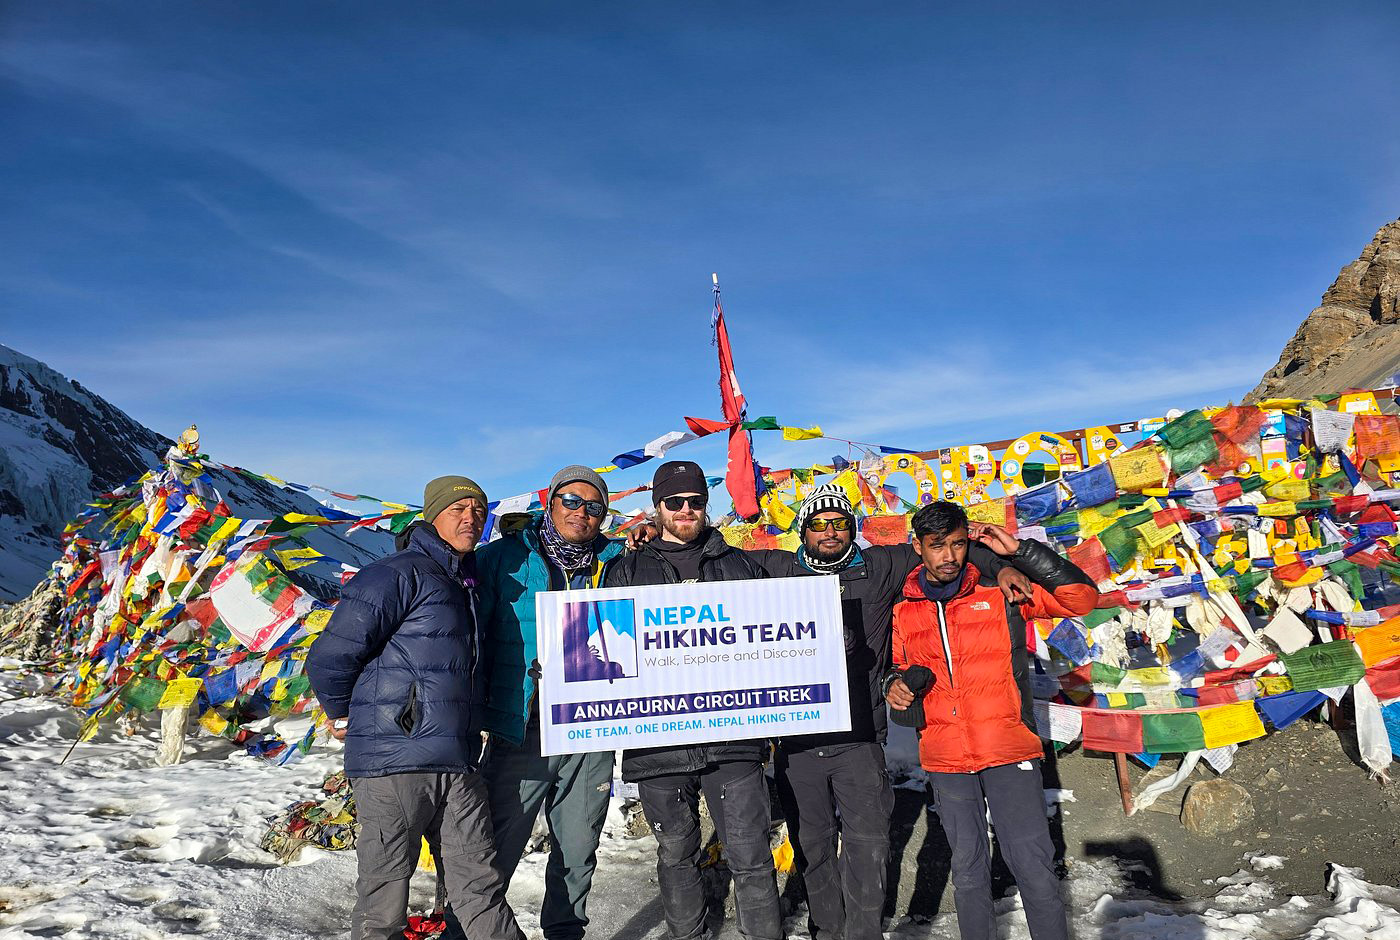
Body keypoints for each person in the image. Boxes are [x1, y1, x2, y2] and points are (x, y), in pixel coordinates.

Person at [743, 483, 1032, 940]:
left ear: (852, 527)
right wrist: (636, 539)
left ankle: (863, 933)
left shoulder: (879, 565)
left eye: (840, 522)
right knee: (812, 847)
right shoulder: (775, 567)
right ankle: (828, 930)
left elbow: (946, 549)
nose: (830, 532)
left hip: (860, 736)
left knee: (869, 846)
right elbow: (707, 559)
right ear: (803, 531)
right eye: (819, 524)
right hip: (797, 739)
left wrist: (999, 566)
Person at [306, 475, 524, 940]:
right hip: (393, 764)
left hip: (458, 763)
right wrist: (346, 715)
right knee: (384, 900)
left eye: (479, 510)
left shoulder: (466, 581)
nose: (471, 518)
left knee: (480, 890)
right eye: (458, 509)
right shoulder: (395, 574)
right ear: (432, 515)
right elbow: (331, 656)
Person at [885, 501, 1098, 940]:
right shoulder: (904, 609)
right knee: (967, 871)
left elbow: (1081, 599)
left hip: (1008, 747)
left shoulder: (1000, 591)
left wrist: (1018, 551)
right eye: (937, 546)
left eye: (959, 544)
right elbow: (898, 668)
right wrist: (896, 686)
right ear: (917, 547)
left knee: (1033, 867)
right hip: (945, 757)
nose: (949, 556)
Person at [604, 459, 781, 940]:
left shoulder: (740, 565)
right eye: (674, 502)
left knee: (750, 853)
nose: (686, 510)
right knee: (676, 855)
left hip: (733, 742)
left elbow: (774, 641)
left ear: (707, 504)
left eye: (696, 501)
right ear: (657, 507)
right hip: (658, 743)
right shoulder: (625, 570)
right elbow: (602, 649)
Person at [475, 465, 627, 940]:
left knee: (578, 848)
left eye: (594, 506)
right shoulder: (500, 559)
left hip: (590, 727)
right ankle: (470, 930)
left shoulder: (620, 561)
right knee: (495, 848)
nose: (582, 513)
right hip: (522, 727)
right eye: (571, 501)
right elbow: (465, 634)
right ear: (550, 502)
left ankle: (566, 932)